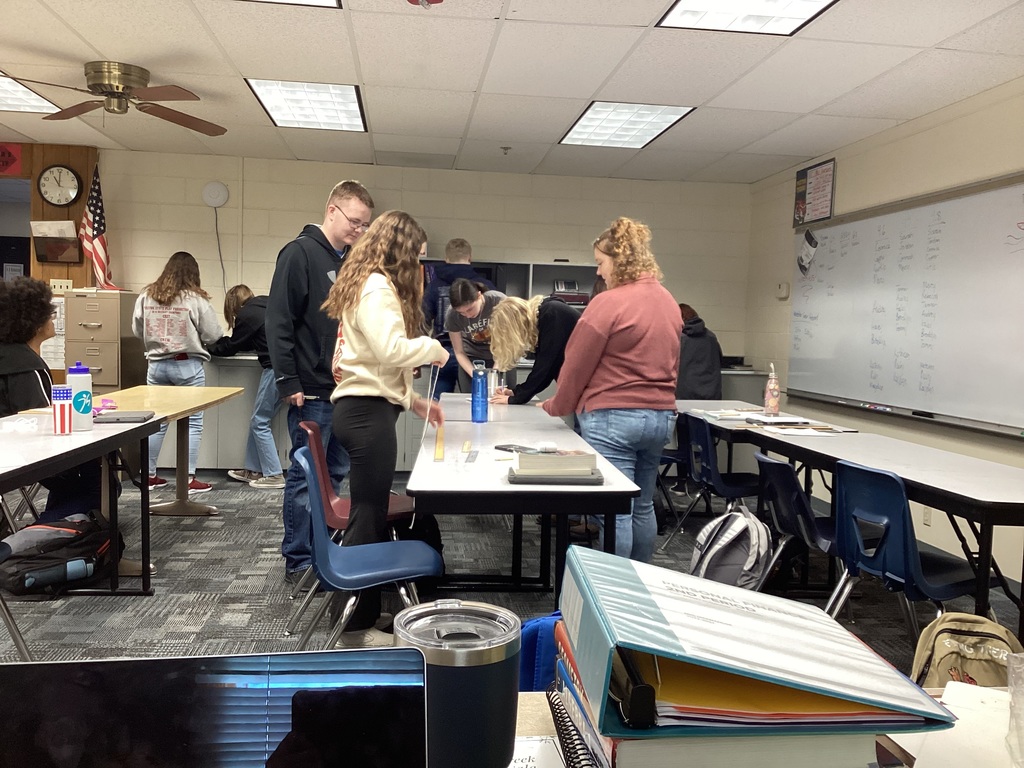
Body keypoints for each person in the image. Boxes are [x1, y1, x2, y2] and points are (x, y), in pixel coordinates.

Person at [322, 210, 447, 646]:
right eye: (419, 256)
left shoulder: (369, 283)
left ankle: (364, 612)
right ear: (402, 251)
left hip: (365, 409)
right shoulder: (377, 287)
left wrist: (414, 402)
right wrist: (432, 347)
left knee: (369, 512)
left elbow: (373, 364)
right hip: (366, 416)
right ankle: (353, 627)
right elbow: (392, 351)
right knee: (368, 515)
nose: (420, 266)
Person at [540, 217, 680, 563]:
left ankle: (613, 587)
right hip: (660, 417)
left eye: (601, 262)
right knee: (642, 506)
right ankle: (640, 579)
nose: (599, 272)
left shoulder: (608, 303)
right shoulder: (668, 301)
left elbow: (576, 366)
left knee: (615, 511)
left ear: (620, 260)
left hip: (614, 418)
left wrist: (557, 405)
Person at [266, 179, 374, 586]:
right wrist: (287, 380)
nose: (359, 230)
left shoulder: (346, 260)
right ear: (332, 211)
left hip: (344, 391)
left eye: (365, 225)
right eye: (354, 221)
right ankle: (298, 560)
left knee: (336, 474)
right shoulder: (299, 254)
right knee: (305, 479)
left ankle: (323, 553)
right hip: (309, 390)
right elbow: (279, 321)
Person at [0, 277, 107, 525]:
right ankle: (40, 533)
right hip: (18, 455)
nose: (53, 320)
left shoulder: (10, 356)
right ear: (35, 323)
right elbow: (38, 421)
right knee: (102, 484)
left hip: (11, 449)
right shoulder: (26, 367)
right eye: (50, 315)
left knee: (83, 478)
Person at [132, 251, 223, 493]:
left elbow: (137, 330)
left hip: (156, 366)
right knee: (193, 423)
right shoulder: (195, 299)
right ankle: (188, 479)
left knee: (157, 422)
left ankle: (148, 476)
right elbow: (213, 334)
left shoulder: (146, 296)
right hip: (187, 365)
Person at [209, 285, 285, 489]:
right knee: (259, 419)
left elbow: (233, 345)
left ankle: (274, 474)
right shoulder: (266, 303)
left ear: (232, 305)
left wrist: (209, 346)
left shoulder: (247, 314)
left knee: (260, 421)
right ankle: (253, 469)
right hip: (289, 368)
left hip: (275, 370)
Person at [421, 238, 495, 398]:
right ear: (470, 258)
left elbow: (422, 321)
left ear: (446, 259)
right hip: (475, 354)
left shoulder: (434, 285)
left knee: (437, 403)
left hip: (443, 352)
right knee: (478, 400)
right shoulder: (484, 286)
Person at [488, 295, 579, 405]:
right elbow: (545, 368)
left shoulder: (551, 314)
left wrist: (517, 398)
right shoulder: (546, 314)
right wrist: (516, 392)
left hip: (591, 387)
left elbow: (545, 367)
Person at [444, 278, 515, 393]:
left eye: (470, 309)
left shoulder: (499, 301)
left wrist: (495, 372)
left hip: (502, 353)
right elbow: (459, 352)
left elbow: (510, 341)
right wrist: (476, 375)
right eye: (461, 313)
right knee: (471, 396)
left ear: (479, 295)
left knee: (503, 395)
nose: (467, 315)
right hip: (471, 357)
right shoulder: (452, 315)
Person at [676, 303, 723, 400]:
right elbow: (720, 361)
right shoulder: (711, 337)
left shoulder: (679, 338)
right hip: (711, 394)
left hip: (685, 394)